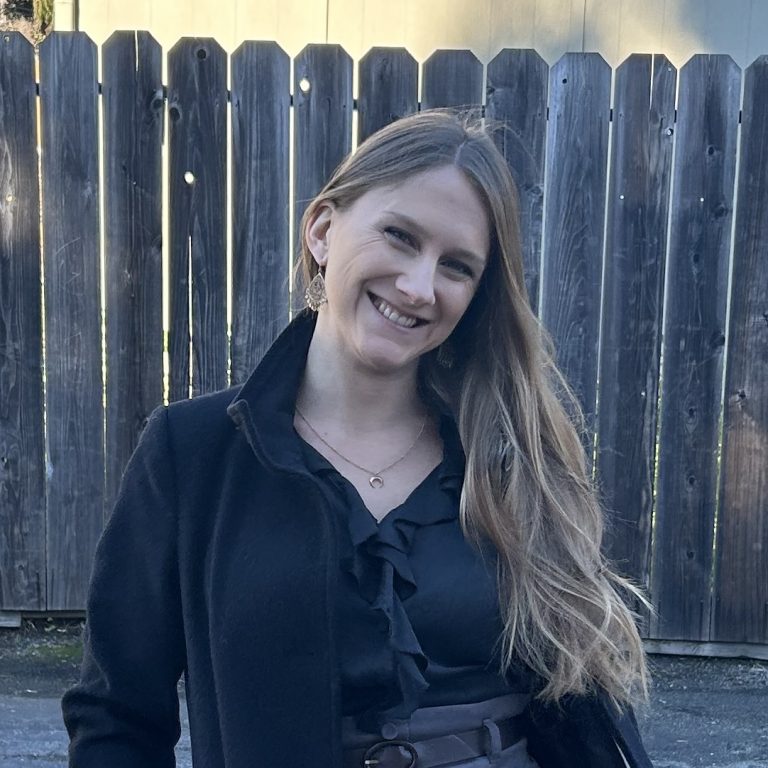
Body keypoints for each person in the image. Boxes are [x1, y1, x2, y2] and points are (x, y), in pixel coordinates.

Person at [62, 109, 653, 768]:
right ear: (322, 229)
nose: (419, 287)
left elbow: (579, 692)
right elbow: (117, 717)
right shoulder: (192, 454)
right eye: (399, 236)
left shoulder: (510, 457)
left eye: (457, 266)